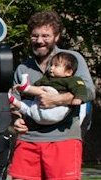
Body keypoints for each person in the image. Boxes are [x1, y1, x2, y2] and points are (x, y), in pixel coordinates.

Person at [8, 11, 94, 180]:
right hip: (28, 139)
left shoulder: (72, 59)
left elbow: (89, 91)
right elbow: (16, 103)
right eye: (35, 36)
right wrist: (15, 120)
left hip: (63, 139)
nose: (39, 40)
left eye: (46, 35)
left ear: (56, 37)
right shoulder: (23, 68)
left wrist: (56, 99)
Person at [9, 51, 87, 125]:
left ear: (68, 72)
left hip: (58, 110)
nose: (51, 68)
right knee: (27, 102)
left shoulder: (72, 80)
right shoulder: (47, 78)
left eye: (56, 65)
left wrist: (78, 98)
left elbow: (80, 88)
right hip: (38, 115)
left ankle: (26, 87)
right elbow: (36, 86)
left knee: (47, 90)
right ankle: (15, 101)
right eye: (51, 65)